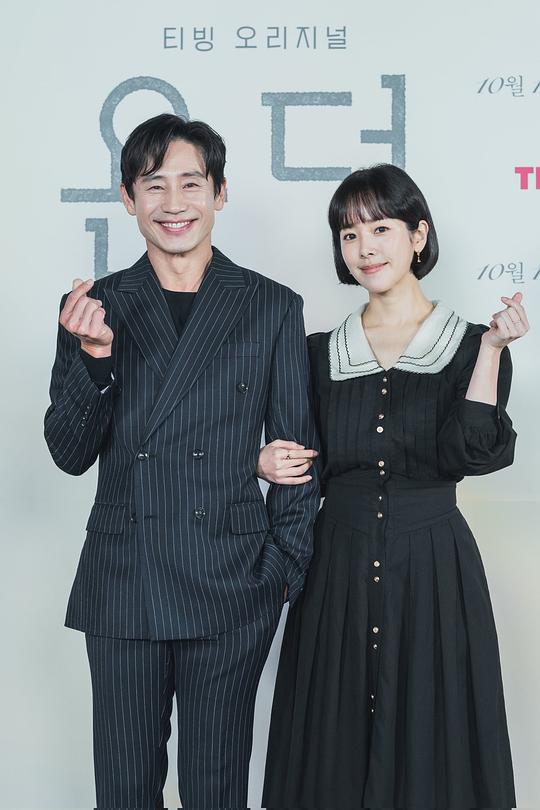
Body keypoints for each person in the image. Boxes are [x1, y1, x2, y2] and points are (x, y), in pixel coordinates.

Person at [44, 113, 320, 809]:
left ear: (219, 193)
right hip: (124, 579)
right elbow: (69, 453)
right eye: (154, 184)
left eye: (191, 183)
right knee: (124, 790)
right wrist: (96, 361)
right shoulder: (95, 307)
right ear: (128, 198)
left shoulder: (271, 307)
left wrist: (280, 573)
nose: (174, 203)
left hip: (233, 584)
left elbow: (297, 454)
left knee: (215, 789)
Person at [258, 164, 528, 809]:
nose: (365, 248)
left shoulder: (471, 345)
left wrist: (492, 351)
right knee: (333, 735)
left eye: (381, 229)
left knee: (433, 731)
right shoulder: (315, 354)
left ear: (418, 235)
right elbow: (303, 462)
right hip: (336, 566)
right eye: (349, 235)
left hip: (433, 565)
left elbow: (471, 453)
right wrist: (262, 462)